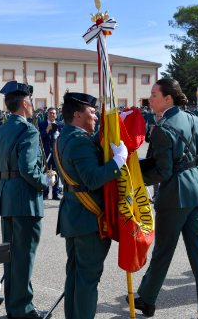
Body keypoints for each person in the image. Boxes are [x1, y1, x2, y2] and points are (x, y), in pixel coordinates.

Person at [128, 79, 198, 319]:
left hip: (174, 198)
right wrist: (195, 183)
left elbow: (163, 172)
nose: (151, 99)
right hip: (197, 194)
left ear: (168, 98)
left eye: (154, 94)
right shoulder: (194, 120)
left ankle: (147, 299)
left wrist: (133, 176)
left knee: (163, 251)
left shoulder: (162, 128)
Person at [54, 91, 127, 319]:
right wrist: (118, 161)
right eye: (92, 113)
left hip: (74, 216)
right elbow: (93, 178)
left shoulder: (66, 136)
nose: (95, 117)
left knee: (75, 276)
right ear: (78, 115)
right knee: (87, 280)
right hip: (89, 220)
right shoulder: (78, 142)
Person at [0, 81, 56, 319]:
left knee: (11, 256)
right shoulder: (28, 130)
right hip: (25, 200)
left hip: (7, 198)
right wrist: (45, 182)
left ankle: (14, 306)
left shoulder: (0, 131)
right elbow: (29, 169)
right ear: (25, 103)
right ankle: (22, 308)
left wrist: (2, 194)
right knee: (24, 255)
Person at [38, 107, 63, 200]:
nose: (52, 115)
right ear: (47, 115)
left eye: (53, 113)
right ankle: (45, 192)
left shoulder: (60, 124)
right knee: (45, 172)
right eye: (50, 113)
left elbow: (63, 137)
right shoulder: (42, 124)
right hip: (46, 153)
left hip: (56, 152)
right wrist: (47, 130)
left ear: (56, 115)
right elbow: (38, 137)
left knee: (56, 172)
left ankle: (55, 193)